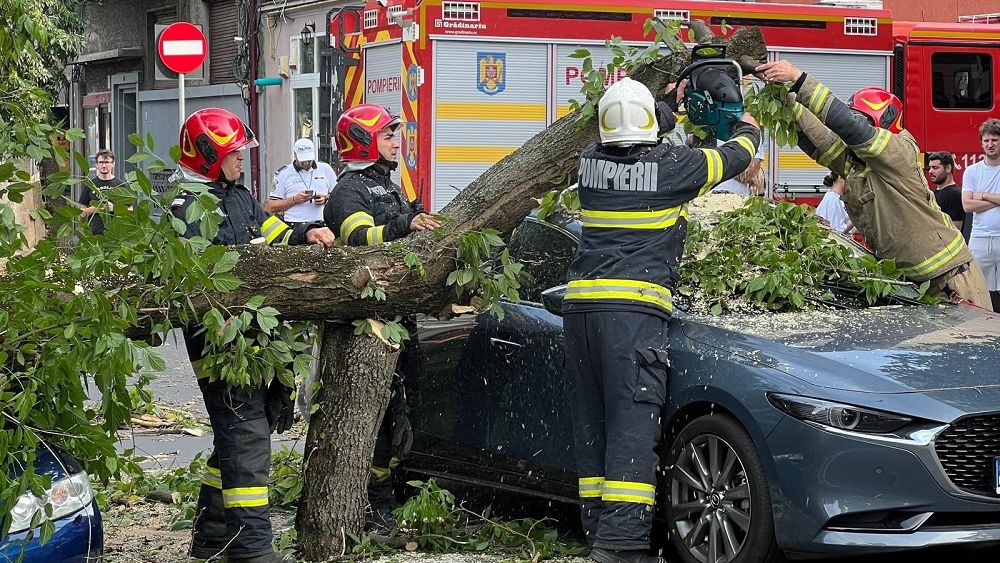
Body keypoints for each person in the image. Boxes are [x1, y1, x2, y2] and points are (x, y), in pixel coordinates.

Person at [564, 76, 761, 563]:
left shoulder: (588, 163)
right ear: (650, 127)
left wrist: (668, 106)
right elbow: (732, 158)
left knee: (597, 422)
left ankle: (598, 530)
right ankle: (622, 545)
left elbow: (635, 134)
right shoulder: (673, 166)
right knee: (633, 422)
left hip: (580, 312)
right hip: (631, 315)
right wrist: (749, 128)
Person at [171, 108, 335, 563]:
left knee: (240, 431)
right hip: (220, 344)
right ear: (209, 155)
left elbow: (271, 234)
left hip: (251, 337)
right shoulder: (187, 208)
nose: (242, 158)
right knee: (246, 439)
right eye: (234, 153)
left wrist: (307, 233)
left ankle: (211, 537)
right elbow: (206, 279)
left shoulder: (237, 196)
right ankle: (251, 551)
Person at [757, 60, 991, 308]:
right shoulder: (857, 165)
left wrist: (799, 78)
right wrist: (787, 96)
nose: (850, 128)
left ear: (881, 122)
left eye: (861, 119)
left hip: (951, 283)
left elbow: (851, 128)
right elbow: (822, 141)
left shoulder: (899, 151)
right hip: (912, 285)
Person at [324, 102, 438, 529]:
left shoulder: (387, 185)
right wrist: (404, 226)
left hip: (396, 317)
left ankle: (395, 490)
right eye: (389, 136)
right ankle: (376, 503)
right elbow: (358, 237)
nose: (397, 142)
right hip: (366, 326)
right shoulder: (349, 191)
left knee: (402, 410)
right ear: (365, 142)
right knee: (378, 416)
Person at [961, 118, 1000, 312]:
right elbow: (967, 205)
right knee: (980, 293)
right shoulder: (972, 171)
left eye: (994, 140)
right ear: (981, 143)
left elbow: (974, 202)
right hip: (979, 238)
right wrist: (996, 199)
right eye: (986, 140)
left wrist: (984, 195)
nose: (990, 144)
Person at [264, 138, 337, 225]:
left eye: (309, 159)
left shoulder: (325, 169)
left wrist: (326, 199)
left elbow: (338, 197)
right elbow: (271, 207)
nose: (306, 163)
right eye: (303, 160)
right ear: (295, 155)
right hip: (294, 224)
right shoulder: (283, 173)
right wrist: (294, 200)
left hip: (322, 223)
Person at [78, 149, 122, 234]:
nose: (104, 165)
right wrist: (97, 209)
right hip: (94, 233)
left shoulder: (120, 184)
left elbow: (130, 209)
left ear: (113, 164)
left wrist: (114, 208)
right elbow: (81, 212)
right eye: (101, 162)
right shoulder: (90, 185)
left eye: (107, 162)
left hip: (116, 234)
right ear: (96, 165)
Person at [927, 151, 967, 233]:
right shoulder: (933, 193)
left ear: (948, 168)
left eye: (935, 168)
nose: (930, 171)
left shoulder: (955, 194)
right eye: (930, 167)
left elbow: (955, 230)